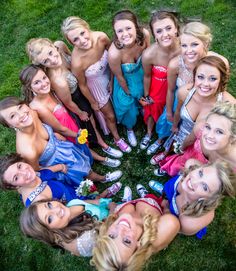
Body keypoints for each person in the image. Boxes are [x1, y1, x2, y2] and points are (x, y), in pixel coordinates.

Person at [26, 38, 122, 158]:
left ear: (52, 46)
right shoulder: (57, 80)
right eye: (46, 61)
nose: (53, 59)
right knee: (90, 120)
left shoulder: (60, 46)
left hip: (85, 86)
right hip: (76, 98)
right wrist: (81, 113)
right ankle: (102, 144)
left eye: (50, 53)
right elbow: (69, 102)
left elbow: (73, 59)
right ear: (42, 64)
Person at [0, 97, 122, 186]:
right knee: (85, 171)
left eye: (20, 107)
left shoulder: (31, 114)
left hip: (63, 146)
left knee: (83, 157)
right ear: (10, 126)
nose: (21, 114)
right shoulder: (27, 150)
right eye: (12, 116)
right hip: (59, 162)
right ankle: (102, 178)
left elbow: (52, 129)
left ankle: (101, 162)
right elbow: (36, 171)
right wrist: (58, 167)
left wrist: (54, 135)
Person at [148, 21, 229, 155]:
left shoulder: (220, 62)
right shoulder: (175, 65)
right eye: (184, 45)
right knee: (171, 127)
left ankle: (184, 151)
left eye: (194, 44)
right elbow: (170, 90)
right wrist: (168, 111)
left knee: (194, 134)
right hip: (180, 103)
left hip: (204, 105)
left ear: (206, 44)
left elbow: (222, 87)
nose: (188, 51)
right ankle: (162, 141)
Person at [20, 65, 121, 168]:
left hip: (71, 122)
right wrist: (77, 134)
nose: (44, 83)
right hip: (66, 133)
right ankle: (102, 159)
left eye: (44, 77)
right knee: (79, 148)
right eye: (37, 82)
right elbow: (59, 128)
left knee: (84, 144)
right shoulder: (39, 107)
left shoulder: (49, 91)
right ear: (29, 87)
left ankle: (98, 150)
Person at [61, 16, 131, 153]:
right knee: (110, 116)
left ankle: (128, 126)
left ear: (87, 27)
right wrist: (93, 103)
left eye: (82, 33)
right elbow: (83, 85)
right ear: (70, 42)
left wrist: (112, 79)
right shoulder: (77, 62)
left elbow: (113, 57)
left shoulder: (101, 37)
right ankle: (117, 138)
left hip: (112, 75)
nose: (82, 40)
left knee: (122, 105)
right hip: (96, 87)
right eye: (75, 39)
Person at [150, 55, 235, 166]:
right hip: (182, 133)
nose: (205, 84)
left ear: (221, 80)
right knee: (174, 146)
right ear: (194, 77)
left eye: (213, 78)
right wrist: (175, 126)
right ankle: (166, 153)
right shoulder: (184, 92)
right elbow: (178, 111)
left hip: (205, 144)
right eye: (200, 77)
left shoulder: (229, 104)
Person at [90, 192, 179, 270]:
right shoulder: (155, 234)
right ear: (137, 246)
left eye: (111, 236)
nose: (120, 229)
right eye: (127, 241)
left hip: (134, 202)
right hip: (156, 203)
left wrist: (113, 207)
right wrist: (166, 208)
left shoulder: (110, 224)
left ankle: (133, 198)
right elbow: (172, 222)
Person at [148, 160, 236, 236]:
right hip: (172, 190)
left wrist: (167, 210)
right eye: (201, 173)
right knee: (168, 190)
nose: (194, 181)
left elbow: (176, 230)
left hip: (175, 216)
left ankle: (167, 201)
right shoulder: (190, 165)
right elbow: (191, 162)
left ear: (209, 198)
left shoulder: (189, 222)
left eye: (205, 187)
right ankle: (166, 192)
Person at [0, 153, 123, 206]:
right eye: (16, 177)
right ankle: (105, 200)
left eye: (20, 166)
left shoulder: (33, 176)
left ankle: (99, 196)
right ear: (15, 186)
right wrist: (94, 203)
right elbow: (69, 209)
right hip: (73, 204)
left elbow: (45, 173)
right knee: (99, 204)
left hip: (69, 191)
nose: (25, 173)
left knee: (86, 194)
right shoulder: (38, 201)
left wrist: (60, 167)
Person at [157, 101, 236, 176]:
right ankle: (166, 169)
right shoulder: (200, 128)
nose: (209, 135)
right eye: (208, 127)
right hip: (188, 158)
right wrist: (181, 148)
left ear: (232, 138)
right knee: (177, 166)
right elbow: (189, 140)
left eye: (219, 132)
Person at [108, 10, 151, 147]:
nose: (125, 34)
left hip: (143, 75)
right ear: (115, 33)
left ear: (136, 27)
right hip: (126, 84)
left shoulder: (144, 35)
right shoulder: (114, 54)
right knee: (129, 111)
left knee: (149, 102)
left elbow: (149, 56)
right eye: (120, 31)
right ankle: (129, 129)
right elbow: (119, 77)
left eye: (128, 28)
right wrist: (133, 94)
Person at [140, 11, 180, 150]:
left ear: (176, 28)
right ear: (154, 34)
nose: (165, 34)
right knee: (152, 110)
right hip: (157, 88)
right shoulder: (149, 54)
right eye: (159, 31)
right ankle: (149, 133)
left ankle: (162, 138)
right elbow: (147, 76)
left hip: (177, 88)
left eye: (169, 28)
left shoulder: (185, 48)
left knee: (172, 114)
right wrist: (147, 96)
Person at [20, 198, 114, 256]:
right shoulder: (85, 239)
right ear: (51, 232)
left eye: (49, 205)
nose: (57, 209)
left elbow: (93, 202)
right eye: (49, 219)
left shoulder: (71, 204)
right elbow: (113, 237)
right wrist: (114, 210)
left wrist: (109, 204)